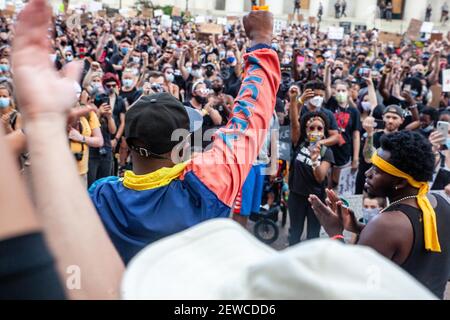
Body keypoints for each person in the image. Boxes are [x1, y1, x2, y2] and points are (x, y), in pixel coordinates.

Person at [89, 11, 281, 264]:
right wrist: (261, 41)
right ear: (183, 143)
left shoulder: (101, 197)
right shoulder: (206, 182)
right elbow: (249, 119)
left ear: (126, 142)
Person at [309, 131, 450, 299]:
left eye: (378, 170)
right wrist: (357, 227)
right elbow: (413, 247)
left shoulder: (385, 225)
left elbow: (350, 287)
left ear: (401, 182)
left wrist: (336, 233)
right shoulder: (441, 204)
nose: (368, 173)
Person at [287, 110, 335, 244]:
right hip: (296, 196)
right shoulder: (299, 143)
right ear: (306, 131)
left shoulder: (327, 152)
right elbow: (293, 121)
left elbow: (320, 178)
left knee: (313, 236)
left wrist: (315, 161)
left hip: (316, 200)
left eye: (319, 128)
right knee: (294, 233)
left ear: (324, 132)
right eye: (311, 128)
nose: (315, 131)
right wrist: (294, 100)